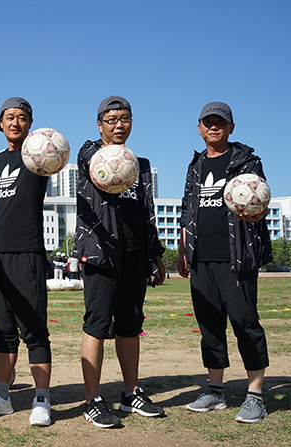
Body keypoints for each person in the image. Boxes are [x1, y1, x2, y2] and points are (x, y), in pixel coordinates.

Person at [74, 96, 165, 429]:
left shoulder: (140, 165)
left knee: (130, 325)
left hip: (135, 253)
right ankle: (93, 399)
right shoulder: (89, 154)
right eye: (111, 119)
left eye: (125, 118)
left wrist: (155, 253)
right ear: (99, 124)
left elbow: (147, 210)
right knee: (97, 325)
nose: (118, 125)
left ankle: (131, 393)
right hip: (101, 253)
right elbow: (88, 159)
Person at [178, 102, 272, 423]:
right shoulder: (196, 165)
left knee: (245, 324)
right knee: (209, 327)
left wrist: (256, 211)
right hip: (201, 258)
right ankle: (215, 391)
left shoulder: (247, 161)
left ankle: (255, 396)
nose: (214, 127)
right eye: (209, 122)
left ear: (231, 127)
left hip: (236, 258)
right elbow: (187, 209)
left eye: (220, 122)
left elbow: (260, 201)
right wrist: (183, 250)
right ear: (200, 128)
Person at [0, 97, 52, 427]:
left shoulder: (38, 157)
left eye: (21, 117)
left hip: (26, 253)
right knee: (1, 331)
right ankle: (1, 397)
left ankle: (41, 400)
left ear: (30, 124)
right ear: (0, 124)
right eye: (9, 117)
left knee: (34, 330)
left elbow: (55, 152)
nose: (15, 122)